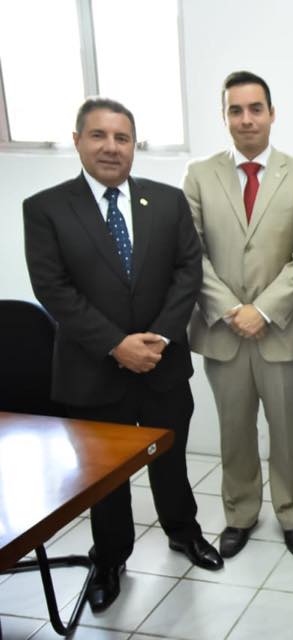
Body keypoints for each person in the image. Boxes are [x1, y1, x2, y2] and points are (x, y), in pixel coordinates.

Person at [22, 97, 222, 613]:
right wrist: (116, 344)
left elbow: (187, 271)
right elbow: (53, 288)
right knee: (103, 475)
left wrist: (156, 338)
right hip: (93, 369)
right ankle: (109, 557)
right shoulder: (45, 208)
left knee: (171, 457)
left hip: (162, 362)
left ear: (135, 145)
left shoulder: (168, 201)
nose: (111, 147)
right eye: (99, 136)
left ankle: (183, 531)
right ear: (77, 141)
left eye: (122, 137)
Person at [184, 71, 293, 559]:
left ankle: (292, 511)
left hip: (281, 329)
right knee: (234, 429)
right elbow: (190, 253)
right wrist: (229, 309)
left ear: (271, 113)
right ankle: (240, 512)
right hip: (223, 332)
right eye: (235, 110)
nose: (246, 119)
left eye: (255, 108)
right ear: (224, 116)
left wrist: (262, 310)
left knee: (287, 431)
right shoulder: (200, 175)